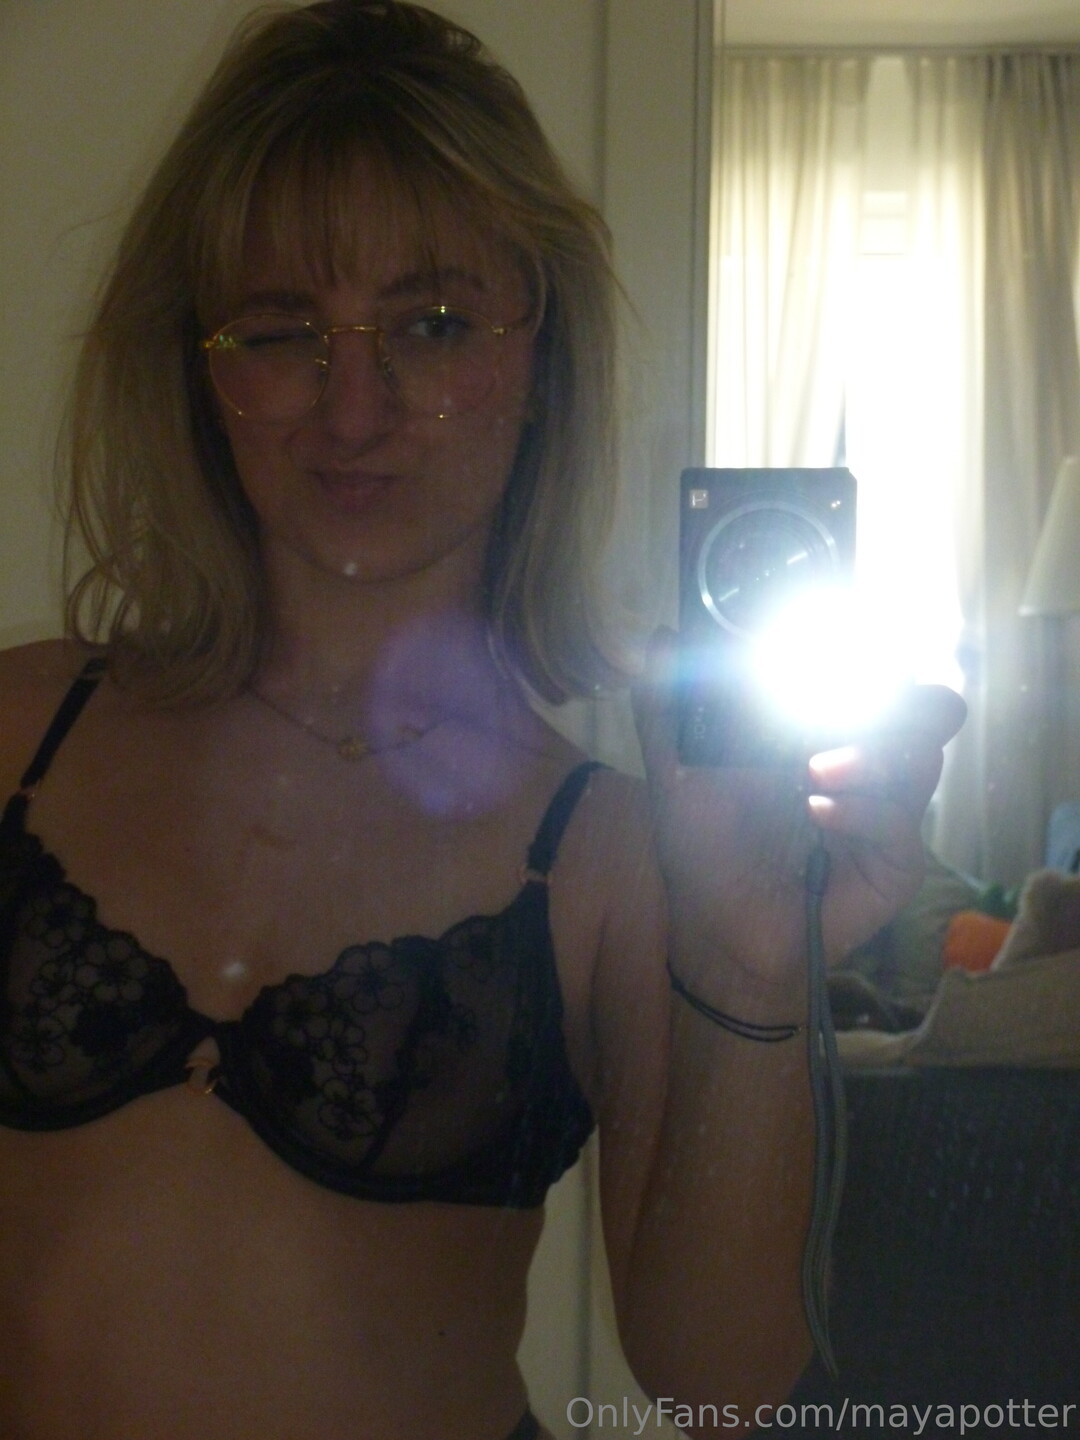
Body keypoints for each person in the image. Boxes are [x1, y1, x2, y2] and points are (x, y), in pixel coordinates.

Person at [0, 4, 965, 1438]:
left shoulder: (619, 856)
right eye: (282, 330)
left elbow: (719, 1384)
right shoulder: (23, 727)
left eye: (434, 324)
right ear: (199, 363)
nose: (354, 408)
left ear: (539, 359)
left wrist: (754, 969)